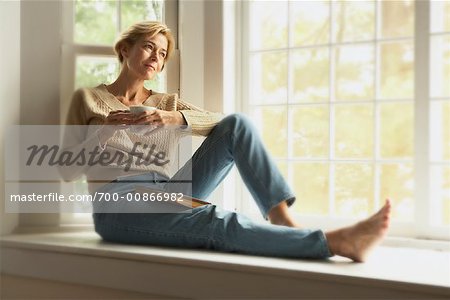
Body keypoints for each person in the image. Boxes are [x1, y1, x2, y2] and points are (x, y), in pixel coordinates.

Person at [62, 21, 391, 262]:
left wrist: (177, 119)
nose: (155, 57)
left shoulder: (167, 102)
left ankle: (282, 219)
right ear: (125, 49)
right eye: (148, 46)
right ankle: (333, 242)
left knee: (238, 124)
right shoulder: (89, 99)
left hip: (168, 191)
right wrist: (101, 135)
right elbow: (66, 171)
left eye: (162, 54)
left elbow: (223, 124)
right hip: (118, 201)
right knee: (216, 220)